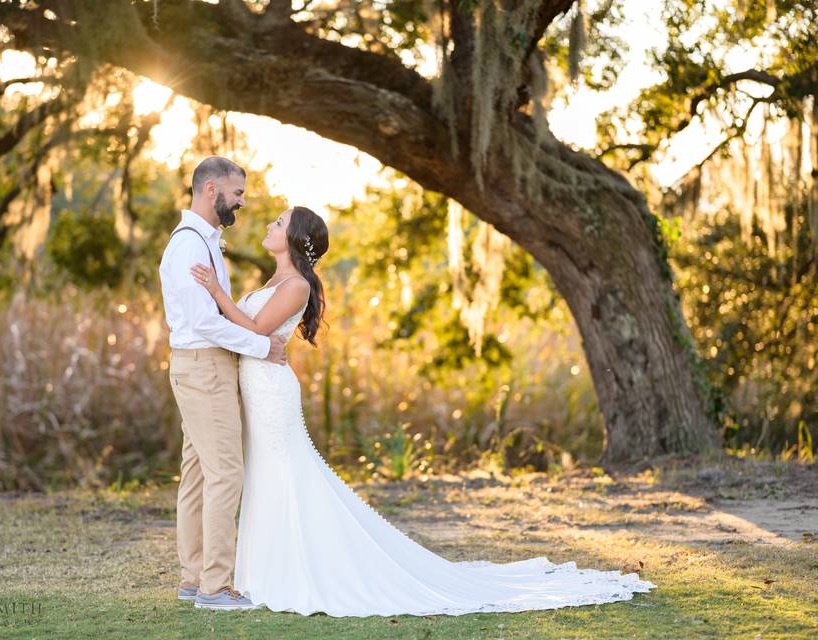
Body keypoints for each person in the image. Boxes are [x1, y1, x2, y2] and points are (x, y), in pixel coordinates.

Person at [190, 204, 657, 616]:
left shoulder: (295, 285)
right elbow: (253, 333)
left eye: (279, 222)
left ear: (295, 240)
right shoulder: (273, 277)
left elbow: (253, 325)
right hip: (254, 384)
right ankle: (263, 570)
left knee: (284, 474)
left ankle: (290, 572)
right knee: (264, 475)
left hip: (271, 392)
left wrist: (215, 292)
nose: (270, 225)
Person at [159, 156, 287, 612]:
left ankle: (193, 578)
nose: (242, 201)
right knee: (226, 473)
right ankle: (214, 587)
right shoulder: (190, 246)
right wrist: (262, 347)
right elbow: (204, 322)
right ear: (211, 190)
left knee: (196, 473)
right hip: (205, 367)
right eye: (237, 193)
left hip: (200, 366)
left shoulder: (202, 241)